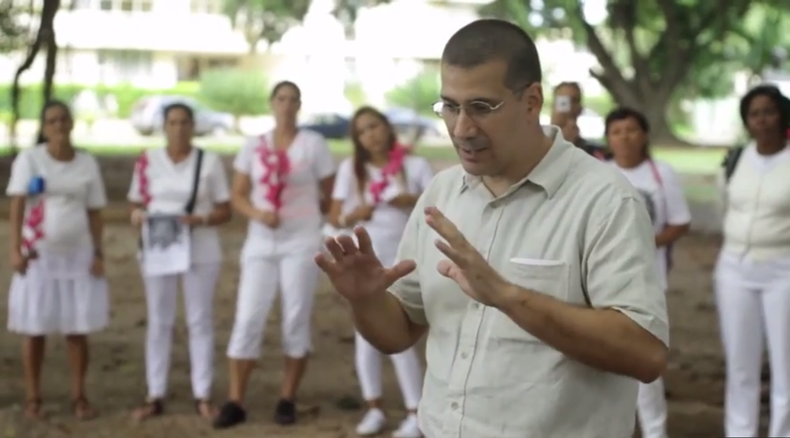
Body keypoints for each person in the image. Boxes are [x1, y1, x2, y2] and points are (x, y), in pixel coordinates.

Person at [315, 19, 669, 438]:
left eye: (481, 107)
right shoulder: (441, 194)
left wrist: (507, 296)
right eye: (449, 106)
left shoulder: (604, 200)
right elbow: (398, 331)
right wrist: (367, 301)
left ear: (532, 101)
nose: (462, 128)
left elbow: (645, 354)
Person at [213, 81, 336, 429]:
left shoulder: (313, 144)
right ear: (271, 103)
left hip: (301, 240)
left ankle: (287, 398)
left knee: (295, 317)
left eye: (293, 99)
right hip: (261, 240)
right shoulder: (254, 145)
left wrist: (313, 221)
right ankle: (236, 399)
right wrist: (257, 214)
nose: (286, 105)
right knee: (248, 316)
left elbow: (330, 194)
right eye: (281, 98)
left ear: (299, 105)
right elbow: (238, 194)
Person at [328, 106, 433, 438]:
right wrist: (354, 213)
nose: (370, 134)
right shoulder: (352, 170)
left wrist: (409, 199)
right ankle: (374, 407)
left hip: (400, 259)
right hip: (365, 259)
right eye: (362, 131)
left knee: (398, 331)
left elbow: (437, 206)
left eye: (374, 126)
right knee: (365, 338)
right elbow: (336, 217)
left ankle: (416, 411)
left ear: (387, 127)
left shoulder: (413, 165)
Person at [128, 103, 232, 422]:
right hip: (160, 246)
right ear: (164, 126)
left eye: (184, 122)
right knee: (159, 320)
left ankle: (202, 393)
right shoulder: (148, 161)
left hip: (199, 247)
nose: (179, 128)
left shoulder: (208, 161)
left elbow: (225, 210)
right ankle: (155, 392)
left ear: (193, 125)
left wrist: (199, 219)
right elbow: (135, 201)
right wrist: (137, 216)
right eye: (172, 122)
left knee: (199, 320)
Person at [6, 100, 108, 420]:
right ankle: (34, 397)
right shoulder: (31, 160)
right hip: (39, 254)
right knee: (34, 328)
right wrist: (14, 250)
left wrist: (98, 251)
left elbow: (95, 212)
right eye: (52, 121)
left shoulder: (87, 163)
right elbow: (18, 206)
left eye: (64, 119)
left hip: (77, 255)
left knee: (76, 328)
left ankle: (79, 395)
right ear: (44, 127)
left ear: (72, 123)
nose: (59, 126)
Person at [606, 107, 691, 438]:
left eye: (631, 130)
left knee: (645, 361)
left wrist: (646, 243)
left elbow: (679, 222)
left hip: (648, 282)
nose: (624, 137)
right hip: (605, 281)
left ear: (644, 135)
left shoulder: (660, 173)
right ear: (608, 138)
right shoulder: (598, 172)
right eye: (616, 131)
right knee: (606, 361)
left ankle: (655, 431)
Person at [715, 84, 790, 437]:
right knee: (741, 366)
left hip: (782, 270)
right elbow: (723, 206)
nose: (762, 120)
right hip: (734, 269)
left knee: (784, 366)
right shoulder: (735, 159)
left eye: (769, 112)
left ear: (782, 115)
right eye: (754, 113)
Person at [551, 81, 610, 159]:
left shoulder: (593, 151)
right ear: (553, 105)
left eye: (574, 100)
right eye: (563, 101)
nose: (570, 105)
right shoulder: (537, 143)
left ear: (580, 107)